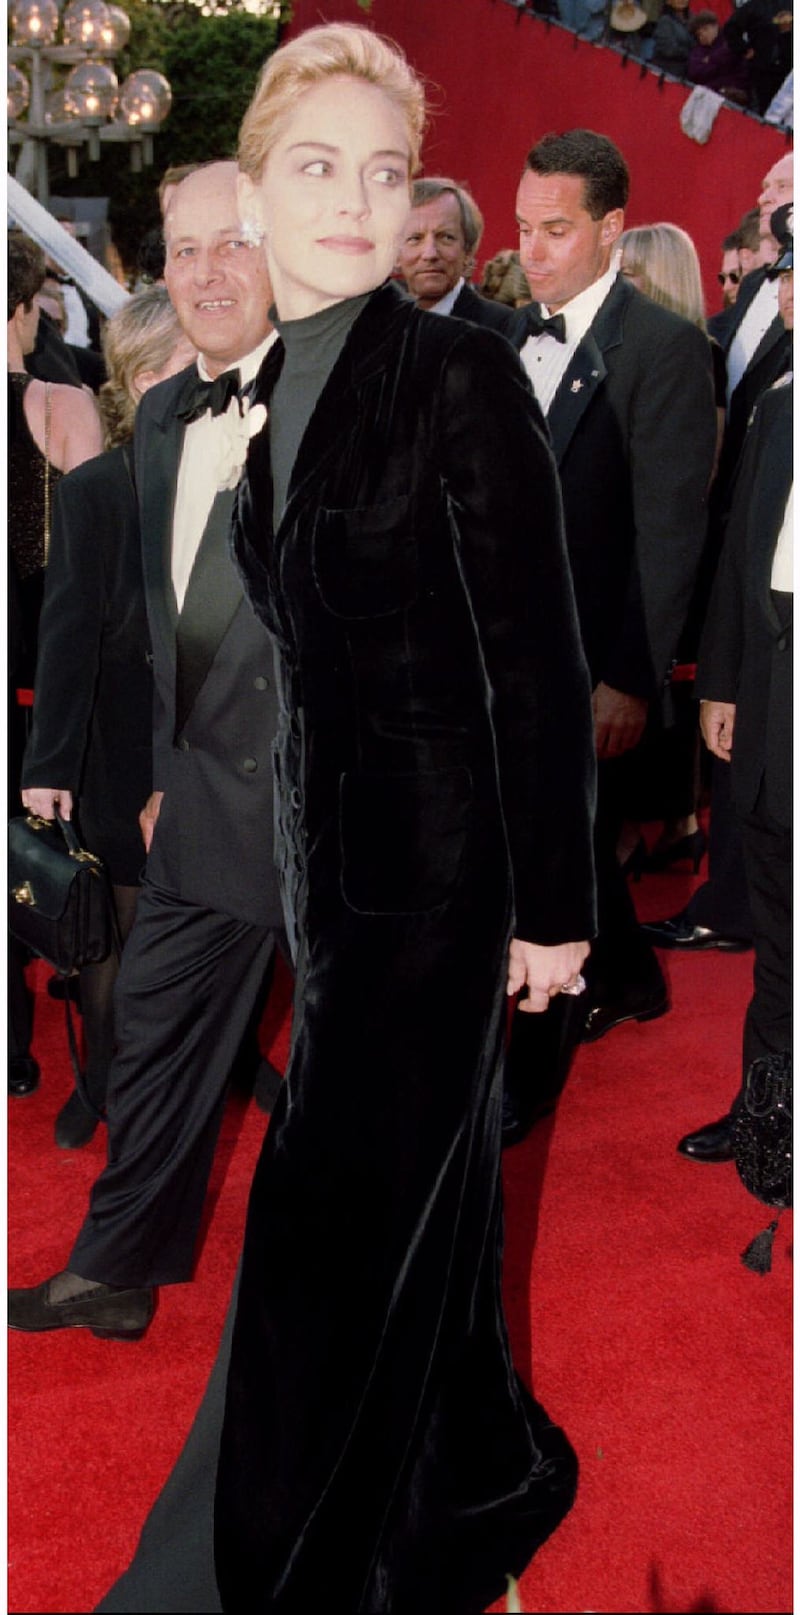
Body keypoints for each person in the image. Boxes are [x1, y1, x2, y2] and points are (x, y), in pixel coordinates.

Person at [101, 23, 598, 1613]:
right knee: (400, 1224)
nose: (357, 202)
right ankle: (438, 1467)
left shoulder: (451, 371)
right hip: (340, 891)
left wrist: (551, 909)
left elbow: (538, 652)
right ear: (252, 190)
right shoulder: (275, 376)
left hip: (441, 902)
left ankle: (281, 1554)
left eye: (385, 173)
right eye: (317, 166)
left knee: (333, 1226)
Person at [8, 161, 286, 1334]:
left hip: (327, 814)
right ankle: (118, 1271)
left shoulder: (353, 399)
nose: (208, 271)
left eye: (234, 243)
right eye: (184, 249)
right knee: (159, 1031)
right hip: (193, 813)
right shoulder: (159, 431)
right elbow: (145, 632)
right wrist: (147, 777)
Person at [502, 130, 717, 1145]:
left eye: (554, 230)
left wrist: (629, 677)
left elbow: (667, 535)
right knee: (563, 829)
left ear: (610, 232)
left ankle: (537, 1051)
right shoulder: (504, 339)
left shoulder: (664, 350)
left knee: (544, 848)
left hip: (593, 658)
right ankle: (628, 973)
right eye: (521, 228)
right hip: (505, 655)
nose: (531, 250)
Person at [19, 287, 197, 1148]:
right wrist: (47, 767)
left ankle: (210, 1070)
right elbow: (67, 635)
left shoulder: (247, 471)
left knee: (212, 924)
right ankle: (102, 1085)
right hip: (119, 746)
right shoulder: (95, 489)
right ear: (134, 379)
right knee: (118, 933)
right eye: (172, 367)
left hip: (215, 740)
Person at [642, 171, 793, 955]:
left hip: (768, 565)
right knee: (739, 758)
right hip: (739, 555)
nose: (768, 187)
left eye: (783, 179)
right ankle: (732, 897)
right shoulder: (745, 313)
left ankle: (736, 901)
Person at [677, 226, 792, 1164]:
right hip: (768, 712)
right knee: (780, 937)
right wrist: (719, 682)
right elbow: (733, 567)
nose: (787, 289)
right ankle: (768, 1118)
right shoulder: (780, 409)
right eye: (786, 270)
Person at [8, 234, 104, 1099]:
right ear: (26, 308)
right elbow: (90, 564)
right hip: (34, 677)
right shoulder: (57, 406)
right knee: (35, 855)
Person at [613, 221, 725, 878]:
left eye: (630, 273)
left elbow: (695, 469)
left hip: (671, 546)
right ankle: (672, 823)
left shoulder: (693, 352)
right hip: (643, 540)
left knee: (652, 689)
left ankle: (653, 826)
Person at [396, 175, 522, 336]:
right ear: (395, 254)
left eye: (446, 237)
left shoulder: (505, 327)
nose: (430, 254)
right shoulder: (374, 322)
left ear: (468, 251)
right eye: (415, 238)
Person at [723, 0, 793, 114]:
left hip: (789, 68)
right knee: (765, 109)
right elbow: (730, 29)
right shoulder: (753, 6)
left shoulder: (790, 4)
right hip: (763, 70)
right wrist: (744, 49)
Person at [686, 10, 751, 102]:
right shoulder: (697, 51)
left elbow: (734, 65)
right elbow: (694, 73)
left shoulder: (730, 42)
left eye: (705, 29)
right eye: (699, 34)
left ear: (716, 26)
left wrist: (711, 59)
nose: (703, 35)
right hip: (707, 94)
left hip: (733, 93)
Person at [651, 0, 694, 76]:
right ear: (668, 1)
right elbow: (669, 50)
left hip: (687, 73)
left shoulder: (694, 19)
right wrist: (692, 54)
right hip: (667, 73)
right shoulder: (665, 20)